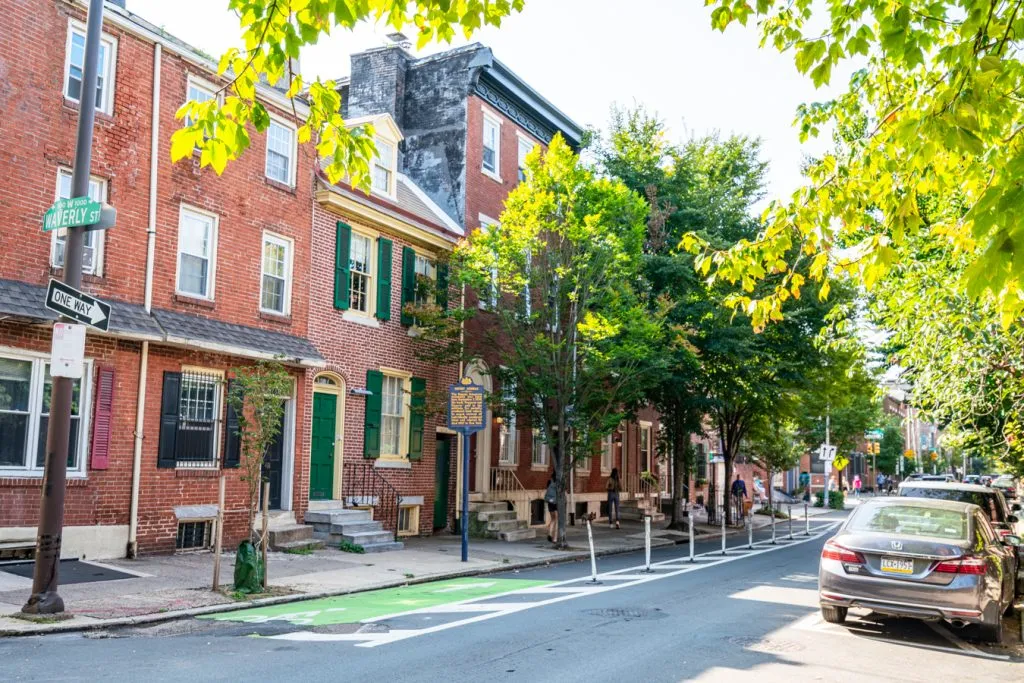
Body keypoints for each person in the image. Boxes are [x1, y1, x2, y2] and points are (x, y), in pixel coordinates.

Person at [544, 476, 558, 543]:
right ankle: (555, 538)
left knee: (553, 519)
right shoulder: (558, 483)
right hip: (556, 502)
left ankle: (550, 534)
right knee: (557, 520)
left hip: (550, 502)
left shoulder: (549, 482)